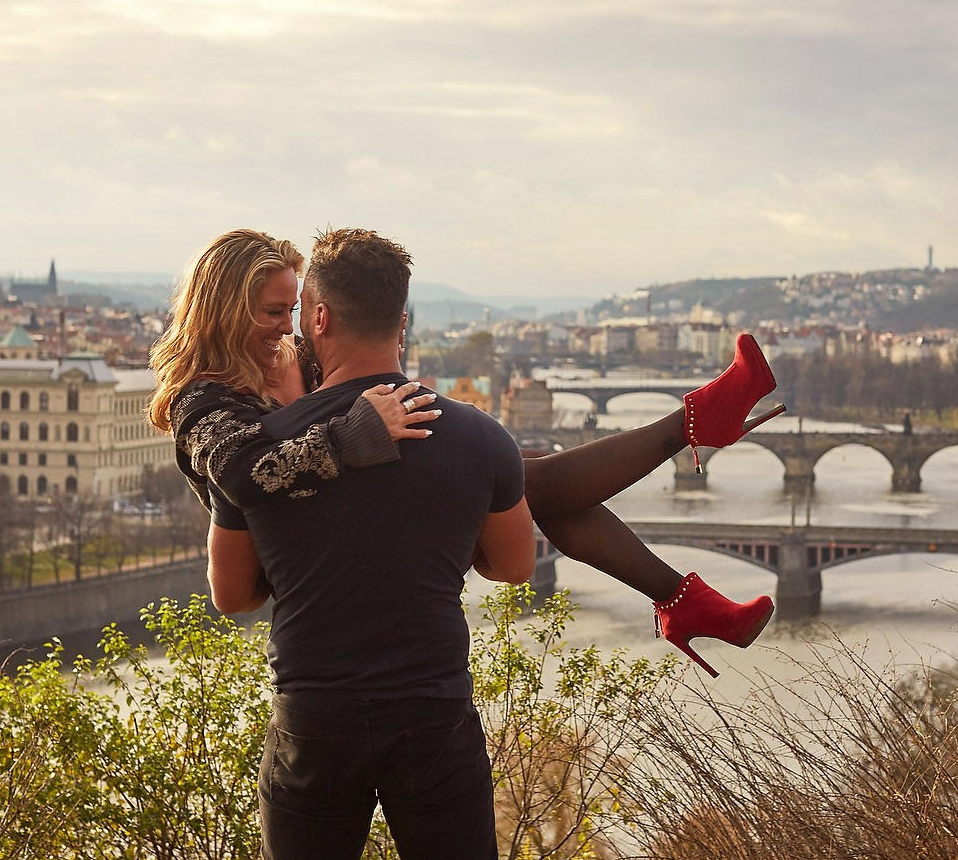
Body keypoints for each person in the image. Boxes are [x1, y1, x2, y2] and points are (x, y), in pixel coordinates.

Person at [150, 228, 785, 675]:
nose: (285, 327)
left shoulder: (290, 358)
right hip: (280, 557)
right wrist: (354, 434)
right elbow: (243, 474)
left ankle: (682, 583)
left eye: (293, 310)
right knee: (514, 478)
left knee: (510, 477)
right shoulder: (201, 397)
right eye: (269, 312)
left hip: (355, 517)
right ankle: (695, 439)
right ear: (223, 311)